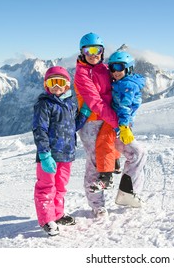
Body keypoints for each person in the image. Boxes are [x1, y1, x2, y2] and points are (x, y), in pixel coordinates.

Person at [32, 66, 91, 236]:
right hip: (49, 154)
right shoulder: (44, 104)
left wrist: (84, 113)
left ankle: (58, 214)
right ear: (46, 85)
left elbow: (73, 126)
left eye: (60, 82)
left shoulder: (70, 104)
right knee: (46, 186)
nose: (56, 86)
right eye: (52, 82)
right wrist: (44, 153)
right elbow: (39, 129)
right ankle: (47, 219)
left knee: (60, 187)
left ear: (67, 85)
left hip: (66, 154)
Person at [73, 32, 120, 217]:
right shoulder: (81, 74)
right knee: (94, 164)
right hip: (92, 123)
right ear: (82, 52)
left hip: (109, 121)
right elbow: (95, 102)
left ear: (102, 51)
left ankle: (128, 191)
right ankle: (97, 205)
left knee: (118, 154)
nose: (93, 54)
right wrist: (116, 122)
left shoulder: (105, 69)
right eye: (88, 50)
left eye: (97, 50)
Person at [108, 50, 147, 208]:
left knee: (136, 155)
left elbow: (126, 106)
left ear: (129, 68)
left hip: (123, 126)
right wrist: (123, 127)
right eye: (112, 68)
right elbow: (124, 107)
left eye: (119, 67)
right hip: (120, 127)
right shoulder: (126, 84)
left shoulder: (127, 84)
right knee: (138, 153)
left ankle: (129, 192)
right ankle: (127, 193)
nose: (115, 71)